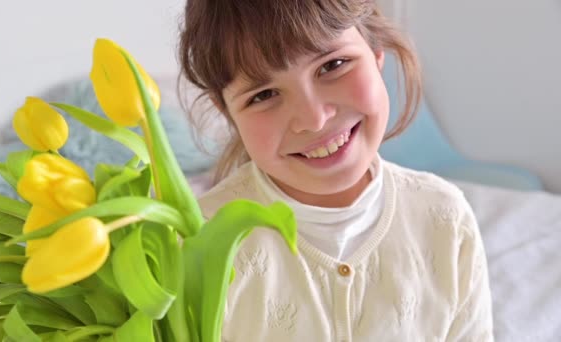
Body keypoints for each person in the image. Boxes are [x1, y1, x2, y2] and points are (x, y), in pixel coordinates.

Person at [178, 0, 494, 340]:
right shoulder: (195, 243)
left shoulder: (446, 218)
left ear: (375, 51)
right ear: (227, 112)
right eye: (265, 94)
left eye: (333, 65)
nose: (314, 119)